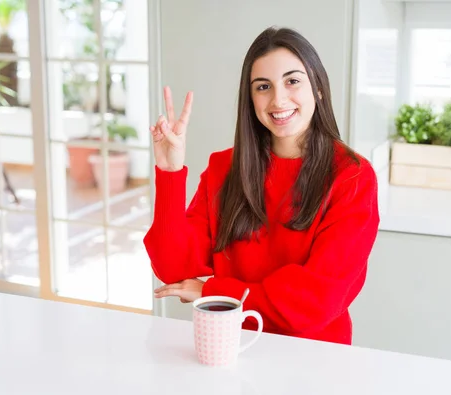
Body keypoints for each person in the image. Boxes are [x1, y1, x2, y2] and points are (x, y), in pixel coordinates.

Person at [144, 26, 380, 345]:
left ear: (319, 88)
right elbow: (172, 267)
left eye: (292, 81)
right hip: (231, 346)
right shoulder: (224, 168)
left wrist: (215, 291)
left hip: (316, 358)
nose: (278, 99)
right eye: (263, 86)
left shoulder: (352, 177)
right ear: (250, 98)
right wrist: (169, 171)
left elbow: (314, 302)